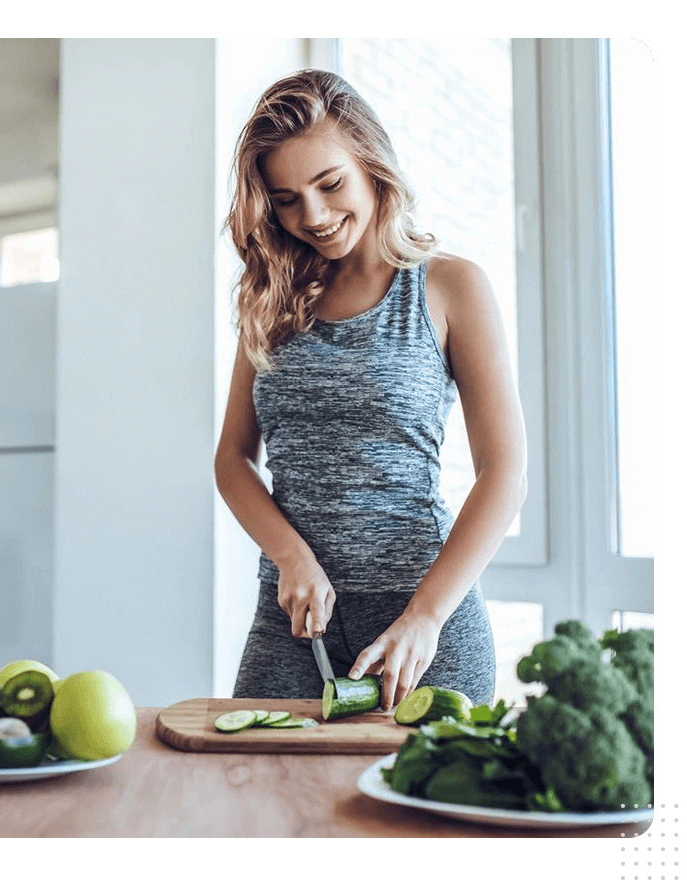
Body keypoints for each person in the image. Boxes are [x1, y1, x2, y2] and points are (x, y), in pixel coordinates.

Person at [214, 69, 527, 712]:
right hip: (292, 623)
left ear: (371, 164)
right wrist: (290, 556)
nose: (315, 216)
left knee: (420, 811)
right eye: (286, 199)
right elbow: (232, 460)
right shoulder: (267, 300)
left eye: (330, 185)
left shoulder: (449, 287)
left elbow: (506, 471)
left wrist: (427, 616)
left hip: (422, 620)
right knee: (261, 803)